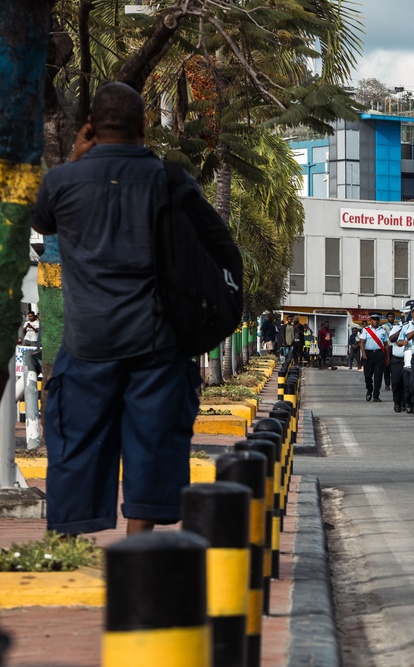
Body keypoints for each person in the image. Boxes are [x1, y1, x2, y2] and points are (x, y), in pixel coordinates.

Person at [31, 82, 232, 536]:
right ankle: (138, 547)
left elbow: (42, 220)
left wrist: (76, 159)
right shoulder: (169, 179)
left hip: (87, 340)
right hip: (156, 339)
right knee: (153, 442)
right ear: (144, 125)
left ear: (91, 127)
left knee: (77, 443)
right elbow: (210, 239)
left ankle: (69, 539)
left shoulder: (62, 182)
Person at [358, 313, 389, 402]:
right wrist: (363, 353)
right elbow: (362, 342)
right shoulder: (366, 330)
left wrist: (387, 357)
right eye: (373, 320)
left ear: (379, 320)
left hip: (379, 354)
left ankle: (376, 395)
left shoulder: (382, 331)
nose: (375, 321)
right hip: (368, 354)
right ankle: (369, 389)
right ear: (371, 320)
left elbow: (386, 344)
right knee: (367, 375)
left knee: (378, 376)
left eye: (377, 320)